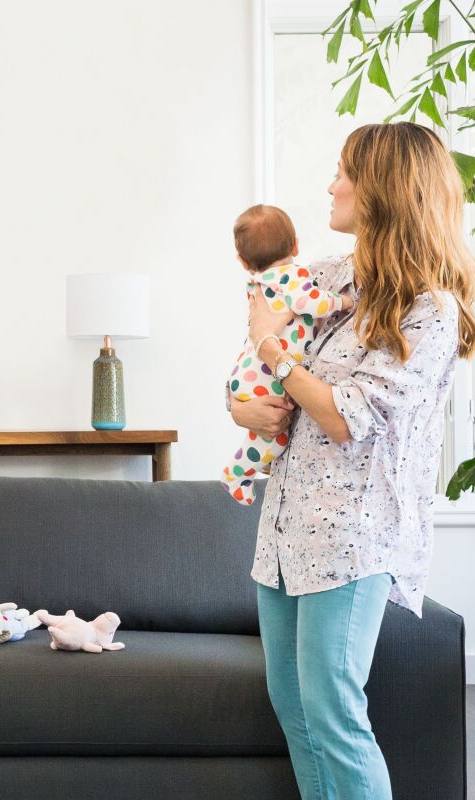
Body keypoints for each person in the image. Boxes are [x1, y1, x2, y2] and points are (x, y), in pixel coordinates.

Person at [230, 122, 475, 800]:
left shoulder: (430, 311)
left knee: (334, 711)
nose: (331, 187)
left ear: (383, 191)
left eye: (344, 174)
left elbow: (345, 416)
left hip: (351, 540)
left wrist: (277, 355)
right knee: (297, 709)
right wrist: (244, 408)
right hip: (285, 534)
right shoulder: (333, 281)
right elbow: (260, 364)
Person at [222, 204, 352, 505]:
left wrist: (239, 405)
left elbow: (259, 332)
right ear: (295, 244)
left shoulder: (260, 284)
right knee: (275, 438)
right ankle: (235, 474)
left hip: (250, 374)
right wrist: (342, 302)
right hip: (265, 378)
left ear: (243, 262)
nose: (331, 190)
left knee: (271, 439)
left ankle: (240, 473)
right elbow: (313, 302)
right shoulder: (294, 276)